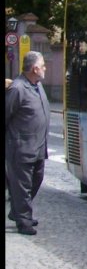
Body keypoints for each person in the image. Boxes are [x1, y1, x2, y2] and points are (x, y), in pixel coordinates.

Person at [6, 51, 51, 235]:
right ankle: (23, 221)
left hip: (39, 147)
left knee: (36, 180)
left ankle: (17, 211)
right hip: (21, 147)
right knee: (22, 186)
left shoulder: (37, 85)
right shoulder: (18, 89)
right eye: (43, 65)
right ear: (35, 68)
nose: (45, 68)